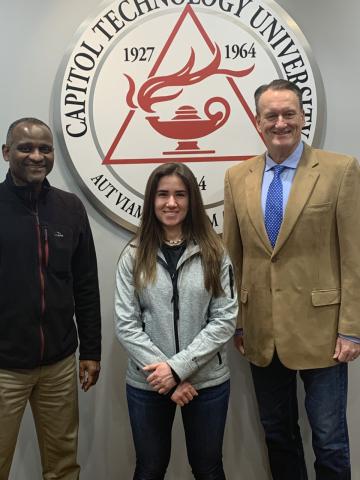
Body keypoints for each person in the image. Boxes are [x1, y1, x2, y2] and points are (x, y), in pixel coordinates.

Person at [223, 79, 360, 480]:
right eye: (271, 115)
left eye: (288, 114)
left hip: (325, 333)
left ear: (303, 117)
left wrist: (351, 329)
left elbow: (353, 256)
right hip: (261, 331)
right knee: (278, 434)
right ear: (257, 121)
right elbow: (233, 258)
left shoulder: (340, 170)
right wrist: (238, 321)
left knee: (330, 439)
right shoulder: (236, 177)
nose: (280, 122)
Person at [114, 162, 237, 480]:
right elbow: (127, 324)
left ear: (192, 199)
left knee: (209, 469)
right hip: (148, 383)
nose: (171, 202)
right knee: (150, 468)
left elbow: (224, 319)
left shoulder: (215, 252)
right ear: (151, 200)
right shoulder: (133, 254)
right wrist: (165, 375)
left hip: (206, 383)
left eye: (180, 194)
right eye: (163, 194)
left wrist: (178, 369)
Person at [0, 117, 101, 480]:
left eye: (45, 148)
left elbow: (86, 284)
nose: (36, 156)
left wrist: (91, 351)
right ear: (7, 152)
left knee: (62, 468)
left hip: (58, 365)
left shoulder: (70, 208)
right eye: (26, 148)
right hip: (4, 368)